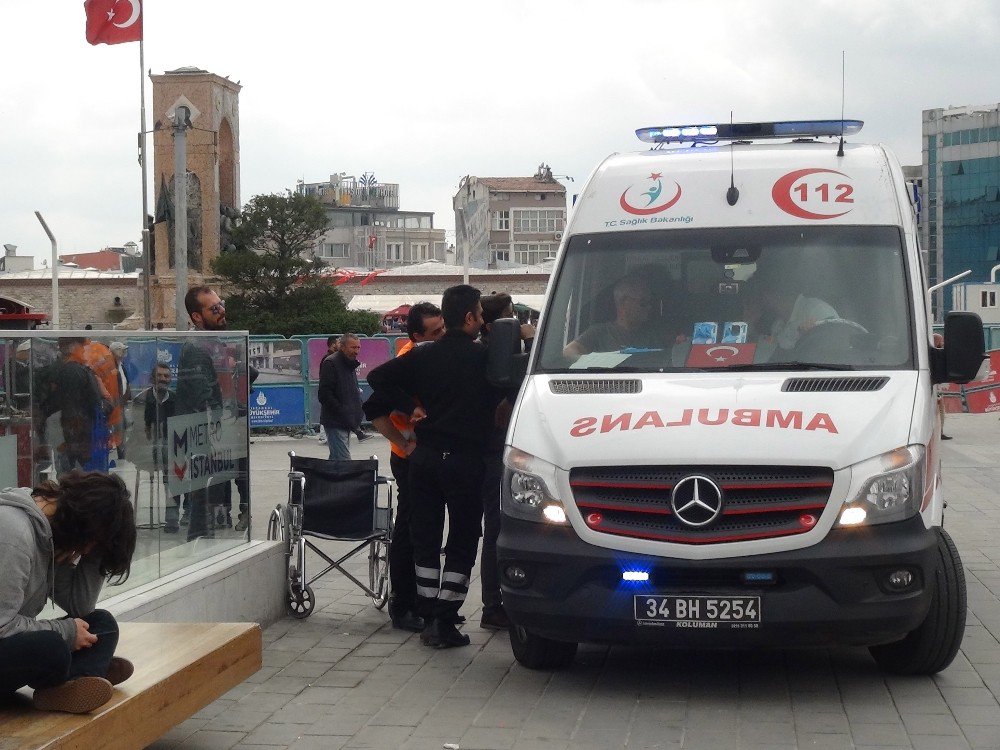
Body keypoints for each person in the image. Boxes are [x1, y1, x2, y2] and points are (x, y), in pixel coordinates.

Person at [366, 284, 508, 648]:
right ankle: (446, 617)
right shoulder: (484, 359)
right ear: (470, 317)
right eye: (479, 313)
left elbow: (377, 379)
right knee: (462, 537)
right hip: (465, 460)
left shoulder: (424, 354)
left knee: (424, 538)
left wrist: (410, 406)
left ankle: (427, 614)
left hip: (425, 459)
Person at [0, 471, 137, 714]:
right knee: (51, 647)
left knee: (102, 624)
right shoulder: (13, 532)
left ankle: (73, 683)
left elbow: (80, 605)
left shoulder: (51, 535)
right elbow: (2, 626)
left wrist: (97, 555)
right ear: (84, 524)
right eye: (92, 542)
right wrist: (66, 631)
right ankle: (83, 673)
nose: (86, 549)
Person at [364, 302, 445, 633]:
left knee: (424, 527)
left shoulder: (430, 356)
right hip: (408, 457)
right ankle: (403, 603)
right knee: (409, 529)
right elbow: (374, 407)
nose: (443, 336)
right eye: (436, 332)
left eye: (444, 328)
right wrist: (406, 442)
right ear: (417, 335)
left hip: (424, 456)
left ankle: (423, 601)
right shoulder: (410, 361)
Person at [476, 293, 533, 630]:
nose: (517, 324)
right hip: (493, 449)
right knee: (496, 526)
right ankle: (493, 603)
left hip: (502, 447)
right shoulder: (489, 354)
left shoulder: (498, 351)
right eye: (511, 318)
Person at [176, 286, 230, 540]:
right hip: (200, 436)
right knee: (201, 495)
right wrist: (213, 433)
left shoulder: (212, 344)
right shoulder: (196, 348)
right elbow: (201, 398)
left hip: (210, 434)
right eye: (214, 308)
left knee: (207, 495)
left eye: (221, 304)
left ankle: (203, 536)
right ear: (197, 317)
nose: (221, 311)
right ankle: (199, 540)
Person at [563, 275, 661, 360]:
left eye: (650, 302)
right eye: (643, 302)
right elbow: (568, 352)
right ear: (623, 303)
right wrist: (598, 362)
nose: (649, 307)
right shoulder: (599, 332)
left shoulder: (655, 334)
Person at [144, 362, 183, 532]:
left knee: (175, 465)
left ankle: (172, 518)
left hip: (170, 449)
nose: (163, 379)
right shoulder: (143, 399)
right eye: (159, 376)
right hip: (147, 448)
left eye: (166, 376)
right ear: (152, 378)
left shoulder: (175, 400)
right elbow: (140, 430)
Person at [318, 334, 364, 461]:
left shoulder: (349, 363)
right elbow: (324, 394)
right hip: (335, 421)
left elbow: (351, 390)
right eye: (353, 347)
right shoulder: (331, 363)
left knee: (336, 460)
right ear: (342, 347)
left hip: (346, 420)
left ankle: (325, 480)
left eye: (358, 347)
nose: (356, 351)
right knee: (343, 461)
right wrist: (342, 410)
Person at [108, 342, 132, 460]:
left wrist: (125, 398)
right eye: (120, 350)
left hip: (120, 404)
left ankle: (121, 453)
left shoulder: (121, 366)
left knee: (121, 428)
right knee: (114, 428)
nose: (123, 353)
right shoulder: (109, 366)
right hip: (111, 405)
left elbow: (126, 383)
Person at [316, 336, 339, 446]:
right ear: (333, 344)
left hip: (332, 389)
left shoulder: (335, 357)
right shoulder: (328, 358)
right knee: (327, 411)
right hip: (328, 390)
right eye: (338, 342)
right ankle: (323, 436)